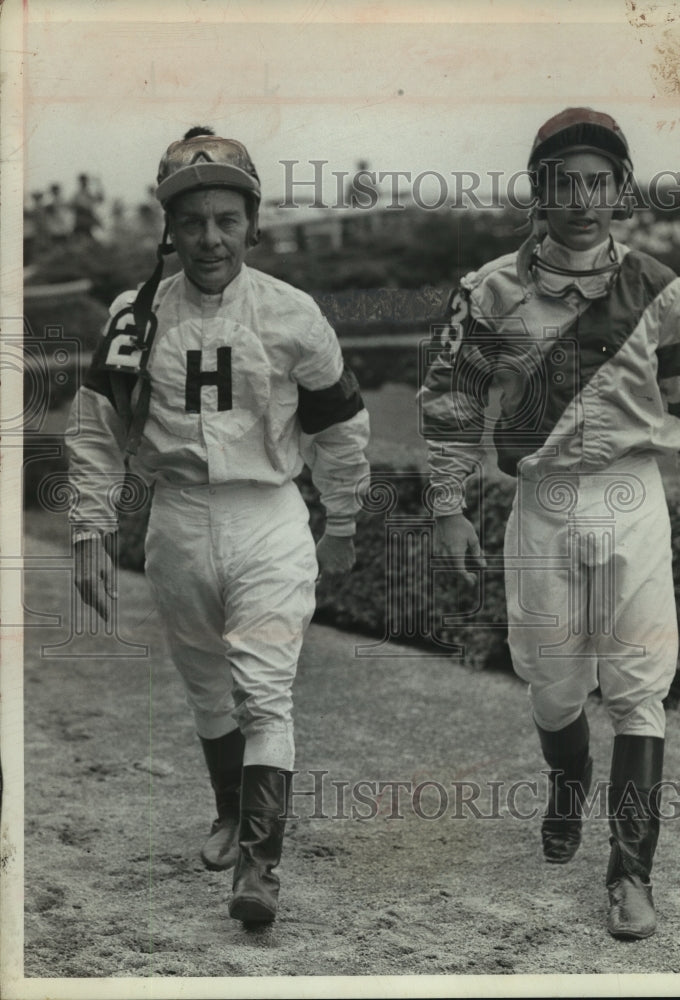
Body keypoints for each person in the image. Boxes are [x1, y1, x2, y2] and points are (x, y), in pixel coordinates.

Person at [419, 107, 680, 940]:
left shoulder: (663, 289)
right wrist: (448, 507)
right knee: (552, 682)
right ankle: (567, 781)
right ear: (539, 190)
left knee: (640, 687)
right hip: (544, 501)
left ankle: (630, 874)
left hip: (633, 495)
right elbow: (451, 403)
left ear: (621, 188)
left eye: (599, 182)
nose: (583, 200)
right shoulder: (488, 290)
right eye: (565, 183)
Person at [66, 126, 370, 925]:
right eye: (192, 221)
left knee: (265, 691)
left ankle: (260, 868)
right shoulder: (135, 316)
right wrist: (90, 532)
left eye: (226, 220)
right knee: (208, 689)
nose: (210, 238)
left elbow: (341, 428)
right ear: (170, 228)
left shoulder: (293, 314)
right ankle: (231, 811)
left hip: (267, 513)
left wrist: (342, 518)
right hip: (178, 518)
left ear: (252, 224)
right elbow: (95, 428)